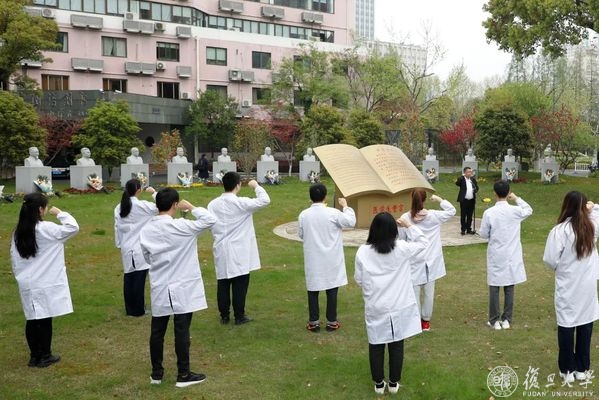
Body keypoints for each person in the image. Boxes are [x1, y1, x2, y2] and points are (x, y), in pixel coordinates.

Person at [139, 188, 216, 387]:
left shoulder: (147, 229)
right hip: (182, 283)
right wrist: (191, 207)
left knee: (158, 330)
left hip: (161, 282)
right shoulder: (181, 226)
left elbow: (146, 256)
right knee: (181, 329)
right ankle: (183, 374)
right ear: (175, 205)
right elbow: (210, 220)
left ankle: (156, 373)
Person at [354, 212, 428, 394]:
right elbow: (423, 243)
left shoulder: (363, 251)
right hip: (398, 304)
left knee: (376, 343)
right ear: (394, 230)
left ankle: (379, 384)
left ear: (373, 230)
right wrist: (409, 226)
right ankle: (393, 383)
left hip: (376, 304)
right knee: (396, 343)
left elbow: (359, 279)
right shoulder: (401, 248)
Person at [10, 193, 79, 368]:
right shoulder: (47, 229)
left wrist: (20, 276)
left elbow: (14, 258)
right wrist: (60, 214)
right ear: (41, 209)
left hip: (28, 281)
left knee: (32, 319)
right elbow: (73, 227)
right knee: (44, 319)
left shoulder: (18, 232)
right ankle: (44, 355)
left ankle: (35, 355)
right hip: (45, 281)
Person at [543, 191, 599, 384]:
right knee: (584, 323)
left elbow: (550, 259)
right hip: (586, 285)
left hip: (568, 284)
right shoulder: (591, 227)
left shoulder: (560, 231)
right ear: (583, 208)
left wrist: (563, 268)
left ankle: (568, 369)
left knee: (567, 325)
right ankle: (582, 368)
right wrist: (593, 207)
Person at [207, 172, 270, 325]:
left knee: (223, 282)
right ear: (238, 185)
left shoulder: (213, 204)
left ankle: (224, 315)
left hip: (221, 246)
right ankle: (239, 316)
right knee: (240, 284)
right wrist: (256, 186)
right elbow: (265, 200)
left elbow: (209, 223)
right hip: (239, 249)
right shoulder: (241, 203)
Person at [298, 183, 356, 332]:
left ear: (311, 198)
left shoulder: (304, 215)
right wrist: (345, 206)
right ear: (325, 197)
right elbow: (351, 222)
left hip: (313, 257)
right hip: (331, 257)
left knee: (313, 289)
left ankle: (314, 322)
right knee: (332, 288)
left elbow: (301, 234)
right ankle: (331, 321)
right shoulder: (333, 213)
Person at [479, 180, 532, 330]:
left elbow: (483, 234)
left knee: (495, 286)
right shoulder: (515, 211)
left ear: (494, 193)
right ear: (508, 193)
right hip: (511, 253)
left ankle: (494, 320)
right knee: (509, 285)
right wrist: (516, 198)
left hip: (496, 253)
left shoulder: (489, 212)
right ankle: (507, 319)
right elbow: (528, 209)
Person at [399, 190, 455, 332]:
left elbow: (402, 239)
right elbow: (452, 210)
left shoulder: (405, 218)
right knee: (429, 293)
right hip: (431, 259)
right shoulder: (433, 216)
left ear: (411, 199)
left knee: (415, 293)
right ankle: (425, 321)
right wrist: (439, 199)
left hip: (414, 259)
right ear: (424, 200)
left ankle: (416, 321)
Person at [114, 179, 158, 317]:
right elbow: (163, 205)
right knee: (138, 278)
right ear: (139, 190)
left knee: (129, 277)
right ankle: (138, 310)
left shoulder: (119, 207)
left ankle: (130, 308)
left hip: (126, 245)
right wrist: (154, 193)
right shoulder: (142, 206)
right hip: (138, 247)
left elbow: (117, 227)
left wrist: (119, 244)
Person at [455, 166, 479, 235]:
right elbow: (457, 183)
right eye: (468, 172)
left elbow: (477, 188)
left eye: (470, 172)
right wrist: (461, 177)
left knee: (470, 215)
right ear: (465, 173)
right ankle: (463, 229)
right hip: (464, 200)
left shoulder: (472, 180)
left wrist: (475, 190)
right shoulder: (462, 179)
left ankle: (469, 229)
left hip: (471, 200)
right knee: (463, 215)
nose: (470, 173)